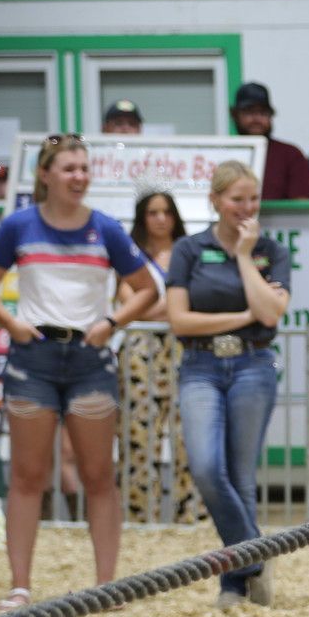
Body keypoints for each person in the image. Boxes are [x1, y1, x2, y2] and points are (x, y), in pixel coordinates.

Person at [0, 133, 158, 611]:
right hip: (32, 360)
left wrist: (111, 323)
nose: (79, 177)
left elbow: (145, 289)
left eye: (84, 168)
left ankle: (106, 587)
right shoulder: (18, 226)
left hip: (89, 363)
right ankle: (20, 586)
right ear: (46, 175)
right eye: (69, 168)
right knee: (28, 477)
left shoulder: (107, 229)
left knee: (98, 475)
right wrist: (12, 322)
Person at [167, 161, 290, 610]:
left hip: (253, 364)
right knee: (204, 466)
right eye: (237, 199)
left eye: (252, 199)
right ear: (215, 200)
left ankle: (234, 583)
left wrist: (243, 255)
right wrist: (244, 315)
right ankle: (257, 555)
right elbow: (179, 319)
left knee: (241, 476)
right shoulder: (189, 250)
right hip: (200, 364)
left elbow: (273, 314)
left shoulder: (269, 251)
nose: (246, 207)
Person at [122, 191, 202, 525]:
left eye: (166, 212)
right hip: (141, 348)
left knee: (190, 434)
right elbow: (127, 303)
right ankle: (139, 518)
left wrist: (154, 307)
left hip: (185, 345)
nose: (160, 219)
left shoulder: (188, 252)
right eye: (152, 213)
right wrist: (171, 307)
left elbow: (195, 301)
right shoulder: (130, 256)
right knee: (139, 434)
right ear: (142, 218)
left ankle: (192, 517)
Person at [229, 82, 309, 201]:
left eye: (263, 112)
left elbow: (303, 206)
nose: (257, 119)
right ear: (235, 115)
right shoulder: (226, 153)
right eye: (249, 112)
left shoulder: (291, 155)